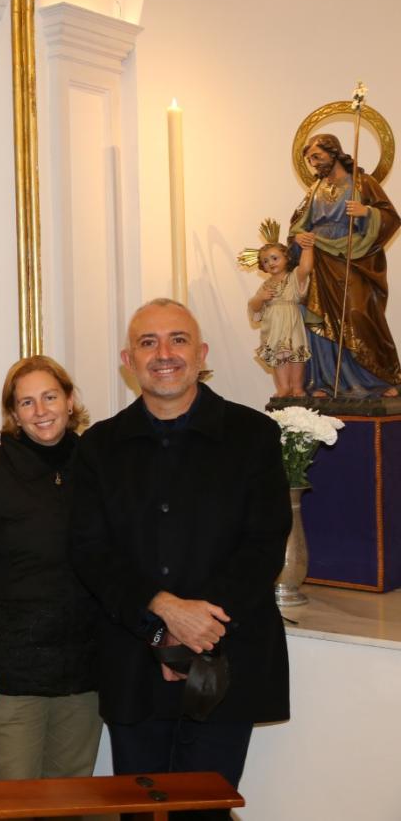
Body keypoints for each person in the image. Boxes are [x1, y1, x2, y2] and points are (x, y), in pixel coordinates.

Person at [70, 299, 290, 810]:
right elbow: (90, 553)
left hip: (228, 658)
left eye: (178, 339)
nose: (163, 353)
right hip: (133, 664)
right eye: (148, 343)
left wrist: (196, 630)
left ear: (201, 353)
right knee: (141, 811)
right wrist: (164, 617)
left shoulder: (254, 435)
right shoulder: (98, 447)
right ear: (128, 360)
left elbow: (262, 545)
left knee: (205, 813)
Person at [0, 355, 100, 781]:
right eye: (26, 402)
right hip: (10, 676)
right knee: (15, 797)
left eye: (50, 397)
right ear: (13, 413)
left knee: (71, 799)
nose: (41, 410)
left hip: (84, 673)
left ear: (70, 401)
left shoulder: (98, 467)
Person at [288, 133, 400, 396]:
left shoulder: (363, 183)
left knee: (359, 313)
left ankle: (378, 379)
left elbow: (391, 217)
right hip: (320, 260)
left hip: (353, 256)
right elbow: (297, 225)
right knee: (318, 319)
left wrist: (366, 213)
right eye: (310, 159)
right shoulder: (314, 190)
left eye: (317, 156)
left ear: (334, 152)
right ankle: (328, 383)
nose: (314, 163)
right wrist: (299, 236)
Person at [248, 237, 314, 398]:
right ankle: (284, 387)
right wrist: (260, 298)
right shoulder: (265, 286)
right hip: (273, 325)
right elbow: (254, 308)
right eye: (265, 261)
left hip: (291, 320)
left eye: (275, 258)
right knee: (279, 357)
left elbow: (305, 268)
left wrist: (307, 248)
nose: (270, 263)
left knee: (296, 355)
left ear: (287, 258)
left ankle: (297, 387)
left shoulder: (292, 278)